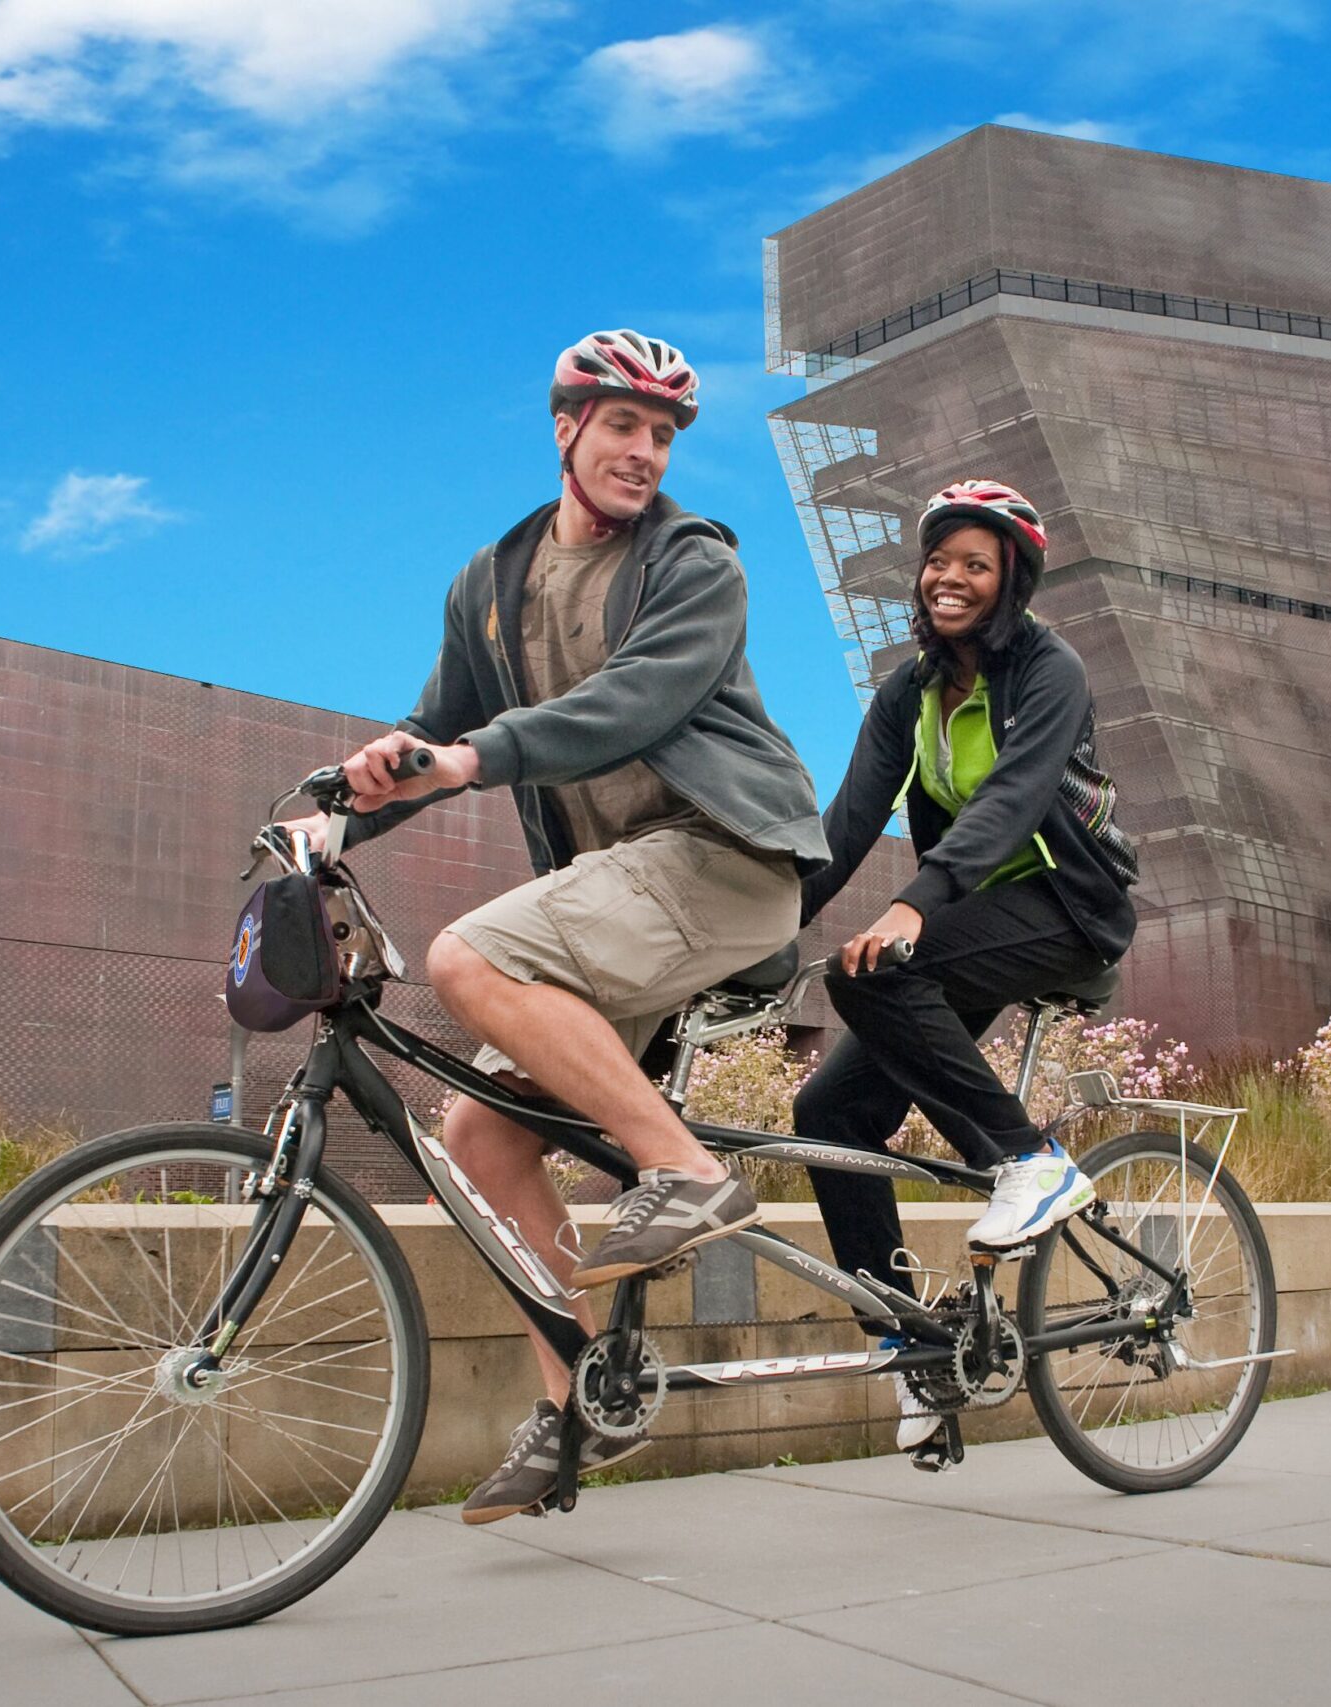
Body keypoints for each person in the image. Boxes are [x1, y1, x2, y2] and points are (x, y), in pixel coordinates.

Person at [286, 329, 828, 1521]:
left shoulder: (695, 565)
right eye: (622, 425)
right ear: (565, 427)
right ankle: (579, 1403)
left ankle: (684, 1171)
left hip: (725, 855)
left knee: (470, 953)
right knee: (479, 1141)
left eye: (663, 433)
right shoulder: (491, 584)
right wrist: (342, 816)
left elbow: (627, 706)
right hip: (622, 882)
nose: (643, 452)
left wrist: (473, 757)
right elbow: (438, 730)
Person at [791, 479, 1139, 1455]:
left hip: (1069, 906)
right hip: (979, 910)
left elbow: (1016, 801)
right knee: (827, 1117)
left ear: (1010, 581)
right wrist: (766, 931)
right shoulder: (907, 690)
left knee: (866, 972)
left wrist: (913, 904)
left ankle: (1028, 1162)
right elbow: (850, 822)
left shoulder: (1048, 670)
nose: (949, 577)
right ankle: (915, 1350)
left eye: (974, 564)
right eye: (938, 560)